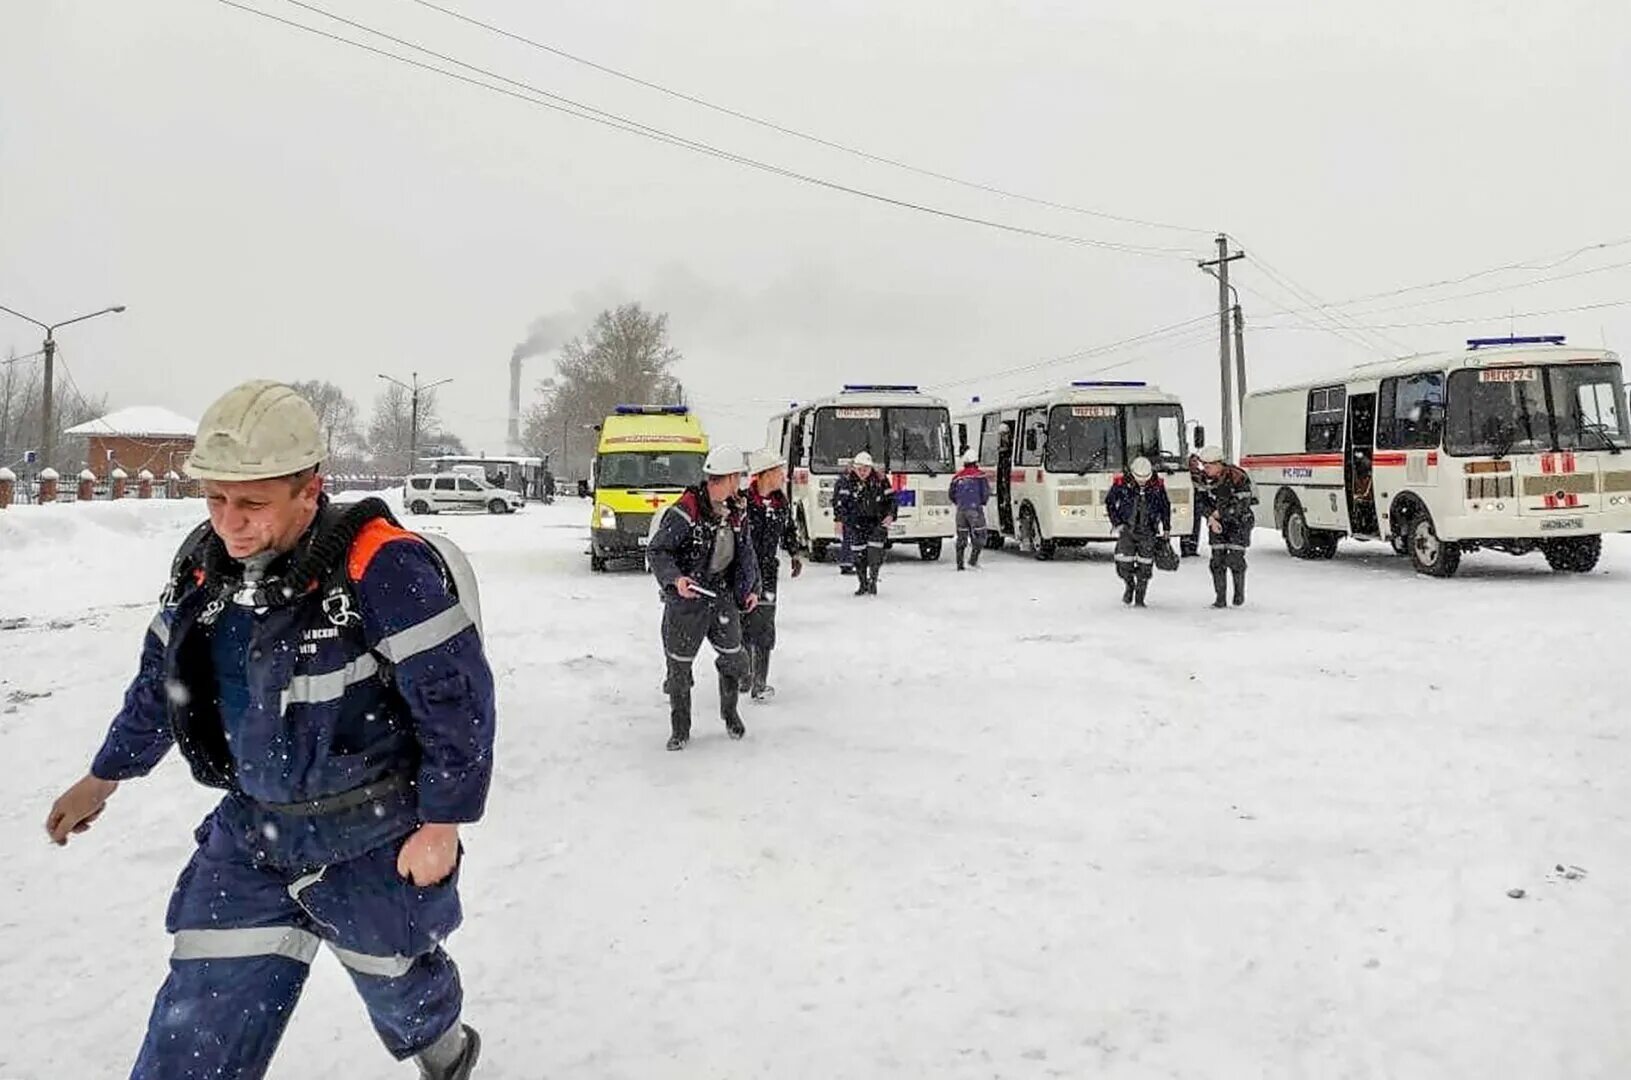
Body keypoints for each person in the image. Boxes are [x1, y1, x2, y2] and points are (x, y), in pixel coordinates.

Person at [44, 380, 494, 1080]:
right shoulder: (203, 572)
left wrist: (442, 823)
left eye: (253, 503)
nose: (231, 523)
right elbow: (161, 687)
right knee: (199, 1018)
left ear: (309, 490)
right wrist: (104, 776)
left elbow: (456, 704)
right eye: (216, 500)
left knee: (399, 981)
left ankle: (447, 1054)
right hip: (252, 837)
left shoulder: (381, 568)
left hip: (373, 836)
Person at [647, 445, 761, 750]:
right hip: (688, 602)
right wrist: (676, 579)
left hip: (722, 598)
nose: (739, 485)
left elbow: (746, 554)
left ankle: (730, 713)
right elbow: (658, 551)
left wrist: (751, 588)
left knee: (734, 658)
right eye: (736, 478)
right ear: (723, 479)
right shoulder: (685, 511)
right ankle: (680, 728)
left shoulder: (736, 512)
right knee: (679, 667)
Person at [743, 449, 805, 701]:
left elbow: (788, 529)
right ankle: (744, 674)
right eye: (779, 471)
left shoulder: (781, 502)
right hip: (743, 573)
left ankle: (760, 683)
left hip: (767, 572)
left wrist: (795, 553)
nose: (783, 476)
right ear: (764, 474)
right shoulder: (742, 502)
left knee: (765, 628)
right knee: (743, 625)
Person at [1105, 455, 1172, 608]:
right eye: (1139, 478)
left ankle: (1140, 597)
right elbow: (1109, 502)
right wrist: (1117, 523)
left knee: (1145, 564)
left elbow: (1165, 507)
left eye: (1145, 478)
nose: (1142, 481)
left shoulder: (1157, 485)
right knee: (1123, 563)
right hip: (1127, 529)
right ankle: (1129, 585)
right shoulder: (1121, 483)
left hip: (1148, 530)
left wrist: (1166, 527)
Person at [1194, 444, 1255, 608]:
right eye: (1204, 466)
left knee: (1235, 559)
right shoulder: (1202, 480)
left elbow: (1242, 503)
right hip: (1216, 524)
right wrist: (1210, 518)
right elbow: (1200, 502)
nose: (1205, 469)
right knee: (1217, 561)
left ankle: (1238, 595)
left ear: (1219, 464)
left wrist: (1222, 513)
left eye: (1208, 466)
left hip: (1239, 522)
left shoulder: (1237, 477)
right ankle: (1220, 598)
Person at [832, 450, 897, 596]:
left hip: (877, 522)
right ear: (854, 468)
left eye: (865, 469)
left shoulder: (881, 480)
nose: (862, 472)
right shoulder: (845, 481)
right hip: (855, 523)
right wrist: (839, 520)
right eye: (859, 469)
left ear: (871, 468)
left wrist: (891, 515)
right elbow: (838, 503)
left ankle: (873, 580)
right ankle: (862, 583)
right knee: (858, 555)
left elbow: (892, 500)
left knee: (875, 554)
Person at [947, 449, 991, 571]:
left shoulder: (957, 477)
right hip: (975, 510)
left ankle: (959, 564)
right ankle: (973, 560)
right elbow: (985, 493)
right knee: (980, 535)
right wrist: (980, 502)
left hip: (961, 511)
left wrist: (960, 502)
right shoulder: (980, 475)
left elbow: (951, 494)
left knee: (961, 537)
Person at [1181, 450, 1205, 557]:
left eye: (1196, 461)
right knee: (1185, 524)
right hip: (1187, 502)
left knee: (1196, 525)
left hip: (1198, 502)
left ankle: (1193, 548)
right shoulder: (1185, 474)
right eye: (1193, 461)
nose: (1195, 463)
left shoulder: (1201, 474)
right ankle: (1185, 548)